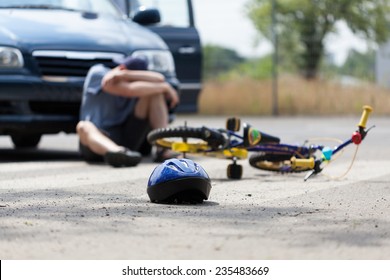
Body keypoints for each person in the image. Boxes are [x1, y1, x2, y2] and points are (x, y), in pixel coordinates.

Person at [76, 56, 179, 167]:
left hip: (126, 139)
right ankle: (118, 154)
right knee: (83, 126)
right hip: (95, 143)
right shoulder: (98, 74)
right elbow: (128, 90)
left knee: (155, 93)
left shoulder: (130, 79)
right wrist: (165, 87)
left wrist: (125, 74)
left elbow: (160, 79)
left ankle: (162, 149)